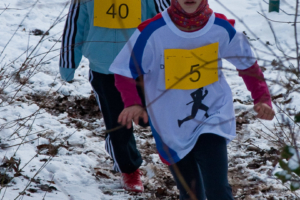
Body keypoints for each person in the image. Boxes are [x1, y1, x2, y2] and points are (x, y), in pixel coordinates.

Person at [109, 0, 275, 199]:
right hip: (169, 123)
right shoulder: (152, 31)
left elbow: (248, 65)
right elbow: (123, 70)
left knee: (218, 189)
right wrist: (133, 103)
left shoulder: (221, 28)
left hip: (212, 115)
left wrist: (262, 98)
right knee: (191, 193)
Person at [59, 0, 170, 193]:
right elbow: (75, 25)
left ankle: (183, 160)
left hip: (144, 66)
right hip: (104, 68)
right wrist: (68, 63)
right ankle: (128, 169)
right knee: (118, 122)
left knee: (155, 116)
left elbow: (170, 17)